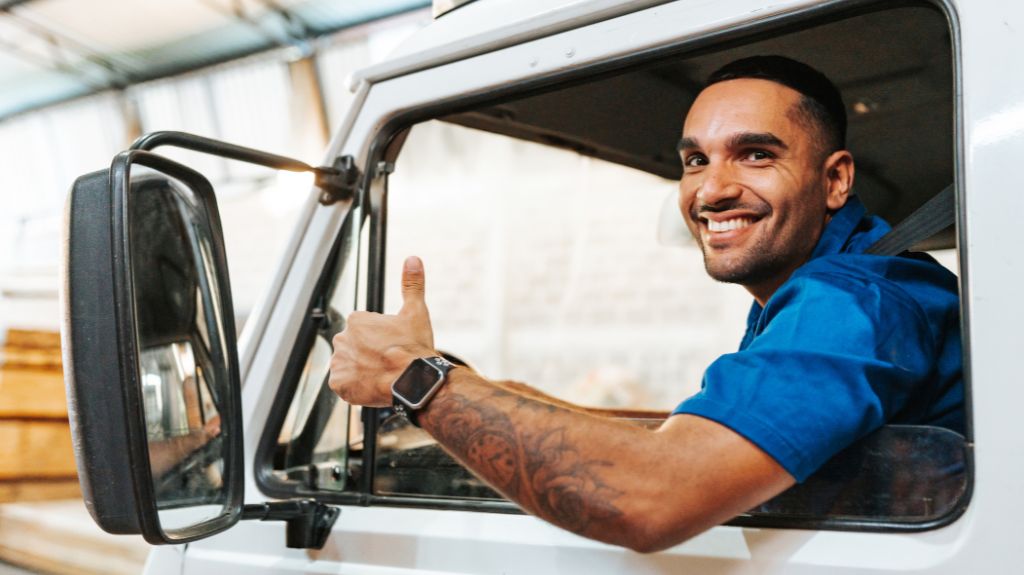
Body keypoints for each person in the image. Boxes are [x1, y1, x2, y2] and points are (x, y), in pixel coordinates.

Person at [328, 56, 963, 552]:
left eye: (756, 154)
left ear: (834, 179)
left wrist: (415, 381)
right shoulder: (822, 290)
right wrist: (486, 389)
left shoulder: (854, 303)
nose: (712, 190)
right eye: (694, 160)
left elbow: (652, 496)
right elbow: (711, 436)